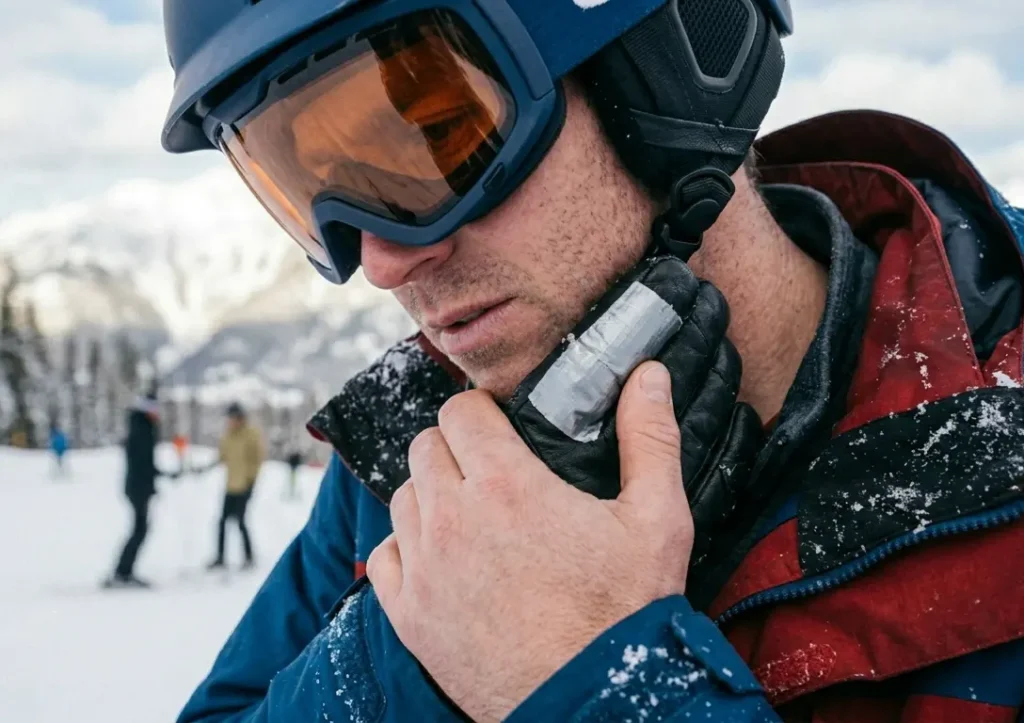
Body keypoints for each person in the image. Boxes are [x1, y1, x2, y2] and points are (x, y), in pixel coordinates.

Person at [162, 0, 1024, 721]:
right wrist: (415, 658)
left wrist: (588, 678)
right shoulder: (426, 448)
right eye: (305, 189)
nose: (379, 260)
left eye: (429, 138)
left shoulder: (998, 459)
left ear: (663, 68)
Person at [104, 391, 170, 589]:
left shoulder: (142, 427)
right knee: (139, 529)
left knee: (139, 529)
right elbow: (142, 464)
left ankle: (124, 570)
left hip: (139, 487)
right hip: (137, 488)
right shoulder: (142, 430)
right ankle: (123, 572)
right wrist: (154, 479)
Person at [204, 403, 264, 571]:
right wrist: (204, 468)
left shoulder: (251, 435)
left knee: (240, 521)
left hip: (245, 485)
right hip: (230, 485)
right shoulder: (228, 436)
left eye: (232, 418)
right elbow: (222, 457)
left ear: (240, 418)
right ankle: (220, 557)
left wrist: (251, 482)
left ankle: (249, 557)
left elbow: (257, 460)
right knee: (222, 521)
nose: (230, 421)